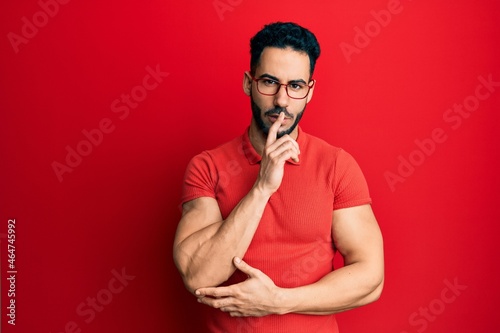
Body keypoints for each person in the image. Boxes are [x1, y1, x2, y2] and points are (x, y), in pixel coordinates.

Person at [173, 21, 384, 333]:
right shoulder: (207, 167)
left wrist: (279, 300)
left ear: (309, 92)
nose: (282, 101)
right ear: (248, 82)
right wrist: (261, 188)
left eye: (295, 86)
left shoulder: (336, 165)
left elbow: (370, 277)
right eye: (269, 83)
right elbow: (197, 275)